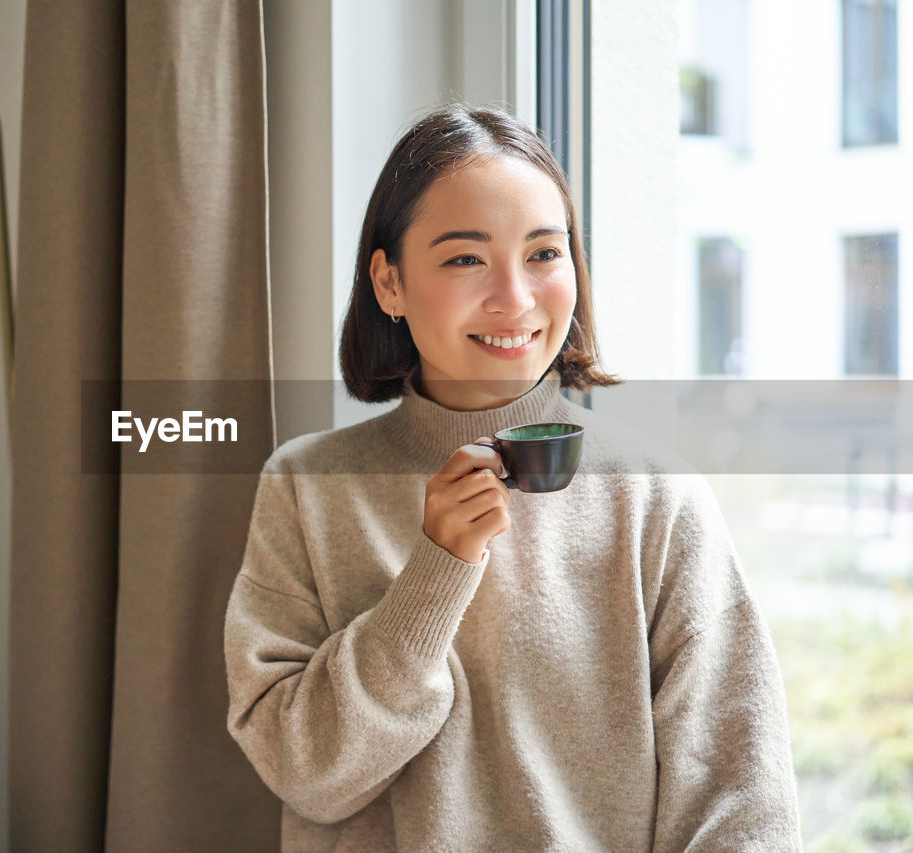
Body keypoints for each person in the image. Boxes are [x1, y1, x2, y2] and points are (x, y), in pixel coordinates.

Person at [223, 104, 802, 851]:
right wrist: (434, 575)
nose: (516, 297)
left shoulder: (659, 498)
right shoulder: (307, 485)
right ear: (388, 283)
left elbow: (742, 800)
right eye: (466, 258)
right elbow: (307, 772)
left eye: (543, 253)